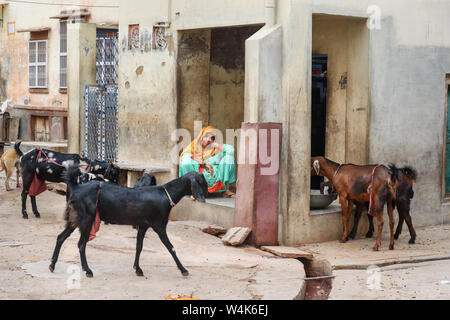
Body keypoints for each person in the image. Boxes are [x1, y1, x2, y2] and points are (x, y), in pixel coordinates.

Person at [179, 126, 236, 198]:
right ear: (201, 136)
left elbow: (231, 150)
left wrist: (216, 145)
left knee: (229, 158)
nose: (209, 140)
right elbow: (185, 156)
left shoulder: (215, 149)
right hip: (199, 176)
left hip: (215, 176)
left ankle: (226, 191)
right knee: (186, 162)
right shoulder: (194, 145)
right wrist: (203, 163)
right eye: (206, 136)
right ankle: (194, 190)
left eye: (212, 138)